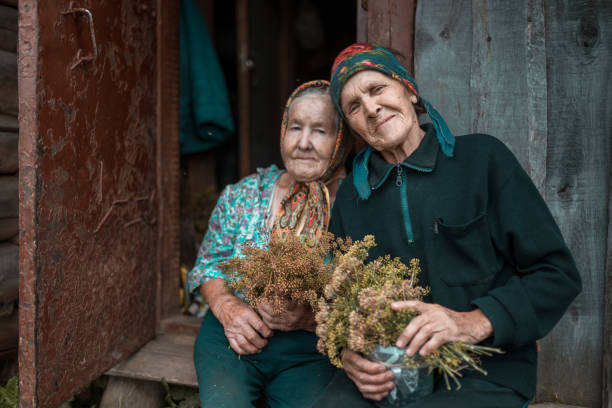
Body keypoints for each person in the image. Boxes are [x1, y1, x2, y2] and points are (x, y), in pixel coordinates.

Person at [315, 43, 582, 408]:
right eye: (354, 107)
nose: (372, 109)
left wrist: (471, 322)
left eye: (377, 90)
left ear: (408, 89)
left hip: (486, 372)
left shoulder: (483, 161)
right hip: (389, 374)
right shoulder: (350, 196)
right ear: (352, 126)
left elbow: (556, 274)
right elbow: (337, 298)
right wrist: (349, 355)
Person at [187, 79, 350, 408]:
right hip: (234, 336)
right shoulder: (245, 193)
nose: (303, 142)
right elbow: (208, 264)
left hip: (311, 349)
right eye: (295, 128)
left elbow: (368, 295)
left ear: (342, 140)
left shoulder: (357, 204)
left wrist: (307, 318)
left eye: (320, 130)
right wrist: (227, 307)